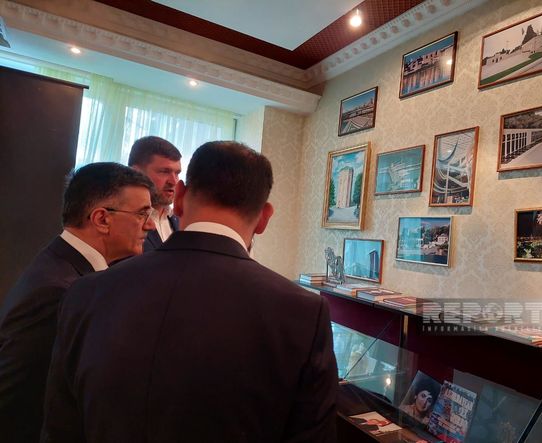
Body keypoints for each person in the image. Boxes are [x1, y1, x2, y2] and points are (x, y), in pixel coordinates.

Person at [42, 141, 338, 443]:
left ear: (180, 197)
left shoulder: (86, 292)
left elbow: (60, 426)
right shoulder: (302, 312)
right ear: (264, 218)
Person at [0, 162, 155, 443]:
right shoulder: (59, 290)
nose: (151, 224)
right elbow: (23, 401)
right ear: (102, 219)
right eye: (142, 213)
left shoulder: (65, 268)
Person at [128, 135, 182, 251]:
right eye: (164, 172)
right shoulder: (121, 222)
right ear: (136, 173)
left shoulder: (181, 222)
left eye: (177, 173)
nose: (173, 181)